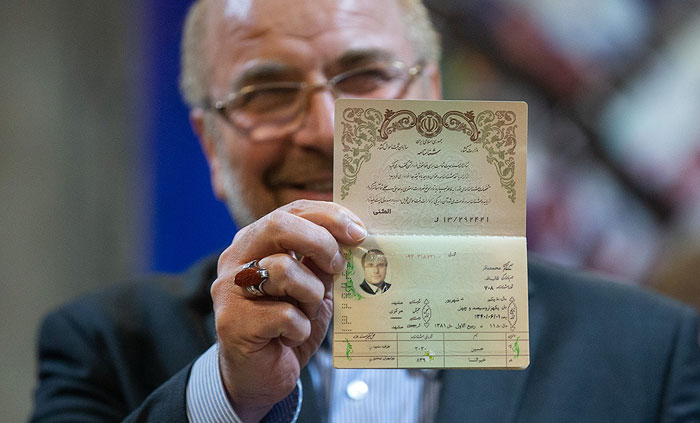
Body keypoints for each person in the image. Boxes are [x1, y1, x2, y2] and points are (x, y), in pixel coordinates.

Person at [31, 0, 700, 422]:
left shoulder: (652, 350)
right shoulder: (101, 344)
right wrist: (227, 399)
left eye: (364, 76)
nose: (325, 128)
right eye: (267, 91)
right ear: (211, 144)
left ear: (432, 94)